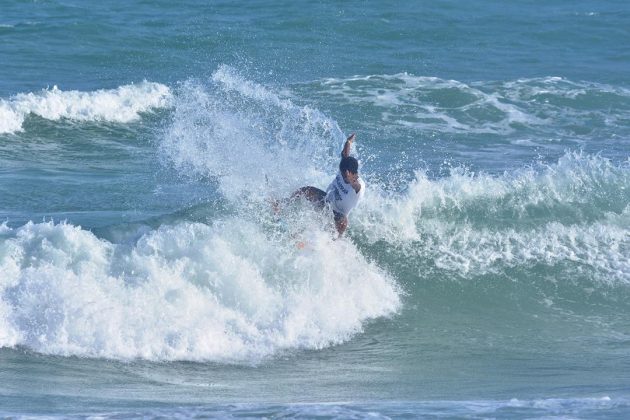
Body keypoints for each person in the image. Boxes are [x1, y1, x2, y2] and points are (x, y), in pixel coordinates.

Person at [288, 133, 364, 236]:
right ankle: (281, 204)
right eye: (342, 173)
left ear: (351, 173)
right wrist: (348, 142)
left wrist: (350, 180)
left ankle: (336, 241)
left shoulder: (359, 186)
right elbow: (345, 154)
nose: (342, 175)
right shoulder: (345, 167)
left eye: (344, 174)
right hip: (326, 201)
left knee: (343, 221)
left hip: (337, 215)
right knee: (307, 190)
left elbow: (357, 186)